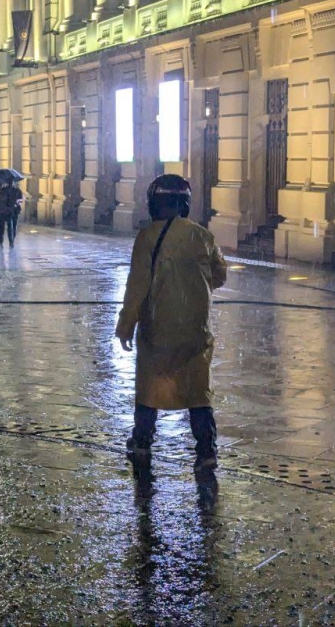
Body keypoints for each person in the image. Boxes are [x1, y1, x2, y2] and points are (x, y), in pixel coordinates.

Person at [115, 174, 227, 493]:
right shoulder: (202, 236)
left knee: (150, 388)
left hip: (157, 328)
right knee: (197, 393)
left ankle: (142, 441)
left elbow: (137, 285)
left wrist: (126, 323)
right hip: (195, 330)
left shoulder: (147, 237)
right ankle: (206, 451)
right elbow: (219, 275)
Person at [0, 179, 22, 248]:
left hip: (14, 211)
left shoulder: (17, 191)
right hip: (5, 212)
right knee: (8, 226)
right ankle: (9, 241)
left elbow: (20, 199)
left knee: (14, 226)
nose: (10, 183)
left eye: (12, 182)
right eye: (9, 182)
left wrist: (16, 203)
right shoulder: (4, 190)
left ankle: (12, 238)